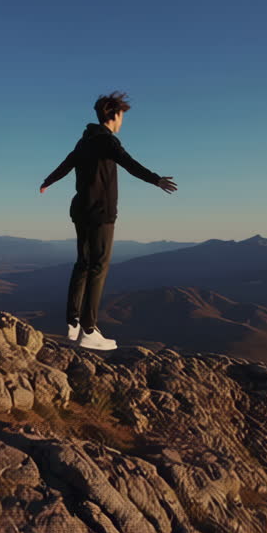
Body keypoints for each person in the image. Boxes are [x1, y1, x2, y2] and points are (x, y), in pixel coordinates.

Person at [39, 91, 177, 350]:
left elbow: (66, 164)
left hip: (80, 210)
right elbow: (128, 162)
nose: (122, 122)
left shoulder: (85, 140)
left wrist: (48, 181)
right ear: (114, 115)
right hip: (101, 213)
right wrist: (156, 179)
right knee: (98, 268)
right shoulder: (106, 140)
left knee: (83, 263)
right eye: (122, 116)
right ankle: (89, 332)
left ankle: (74, 324)